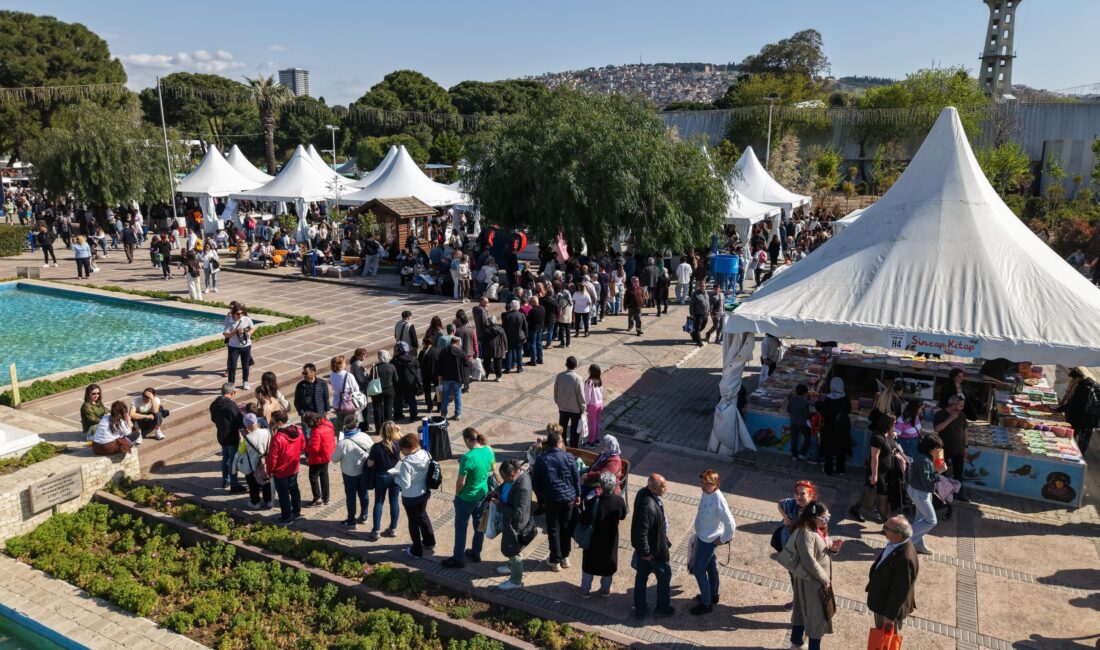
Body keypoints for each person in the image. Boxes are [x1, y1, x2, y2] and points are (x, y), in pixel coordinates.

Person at [788, 501, 839, 650]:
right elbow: (809, 560)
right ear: (813, 516)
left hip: (812, 580)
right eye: (824, 518)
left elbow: (822, 544)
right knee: (816, 617)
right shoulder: (806, 533)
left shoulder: (815, 528)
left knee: (800, 610)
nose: (826, 521)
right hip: (812, 581)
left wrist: (832, 548)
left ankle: (796, 641)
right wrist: (825, 580)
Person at [443, 427, 495, 568]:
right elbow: (491, 471)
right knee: (479, 526)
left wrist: (457, 495)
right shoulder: (488, 451)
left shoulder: (468, 457)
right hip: (482, 495)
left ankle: (458, 558)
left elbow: (461, 482)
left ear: (467, 440)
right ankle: (476, 553)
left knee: (461, 527)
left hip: (466, 498)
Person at [532, 428, 582, 571]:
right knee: (566, 527)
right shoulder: (569, 457)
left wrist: (546, 495)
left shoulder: (542, 459)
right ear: (559, 443)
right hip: (569, 499)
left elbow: (536, 483)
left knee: (553, 529)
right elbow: (575, 478)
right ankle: (565, 557)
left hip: (552, 500)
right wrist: (578, 495)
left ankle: (555, 560)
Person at [690, 469, 737, 615]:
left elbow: (731, 523)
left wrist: (723, 539)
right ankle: (713, 595)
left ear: (716, 484)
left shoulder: (718, 500)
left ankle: (706, 603)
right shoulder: (707, 493)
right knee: (711, 567)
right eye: (702, 482)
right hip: (704, 537)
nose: (703, 486)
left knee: (699, 570)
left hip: (708, 540)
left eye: (707, 484)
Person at [576, 471, 628, 598]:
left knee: (589, 564)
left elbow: (583, 519)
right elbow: (622, 516)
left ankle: (585, 590)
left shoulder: (592, 501)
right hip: (610, 539)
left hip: (593, 538)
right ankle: (605, 590)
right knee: (608, 564)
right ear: (614, 486)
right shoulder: (619, 501)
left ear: (601, 485)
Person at [866, 515, 920, 633]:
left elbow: (900, 591)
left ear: (898, 535)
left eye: (887, 528)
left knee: (885, 639)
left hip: (887, 609)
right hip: (882, 601)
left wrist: (890, 616)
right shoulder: (896, 542)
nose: (883, 529)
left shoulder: (905, 559)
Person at [631, 473, 673, 620]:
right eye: (663, 486)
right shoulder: (648, 505)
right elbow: (641, 530)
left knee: (641, 578)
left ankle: (640, 608)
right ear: (653, 488)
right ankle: (662, 607)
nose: (665, 488)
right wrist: (646, 552)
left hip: (647, 549)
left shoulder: (644, 493)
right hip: (654, 551)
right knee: (664, 576)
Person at [852, 414, 906, 523]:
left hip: (888, 473)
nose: (895, 425)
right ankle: (887, 526)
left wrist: (899, 456)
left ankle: (855, 508)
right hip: (878, 473)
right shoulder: (877, 438)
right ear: (888, 424)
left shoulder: (888, 435)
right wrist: (874, 475)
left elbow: (892, 448)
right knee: (883, 499)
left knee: (869, 494)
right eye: (894, 423)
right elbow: (874, 457)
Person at [390, 433, 435, 557]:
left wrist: (395, 477)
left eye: (402, 450)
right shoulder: (426, 454)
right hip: (424, 492)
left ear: (408, 448)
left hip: (411, 497)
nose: (402, 452)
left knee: (413, 521)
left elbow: (405, 484)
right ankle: (430, 541)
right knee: (423, 515)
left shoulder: (407, 463)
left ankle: (416, 550)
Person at [777, 480, 818, 611]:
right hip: (790, 550)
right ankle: (797, 600)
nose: (798, 497)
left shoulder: (815, 511)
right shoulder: (792, 504)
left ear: (811, 496)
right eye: (796, 493)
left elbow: (822, 532)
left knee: (804, 580)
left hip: (805, 553)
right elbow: (780, 503)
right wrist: (785, 517)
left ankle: (805, 605)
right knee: (794, 578)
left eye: (802, 494)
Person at [494, 459, 534, 590]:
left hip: (516, 526)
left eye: (505, 478)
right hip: (508, 521)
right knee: (511, 549)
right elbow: (505, 487)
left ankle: (516, 580)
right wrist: (498, 492)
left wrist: (499, 505)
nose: (504, 481)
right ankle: (510, 566)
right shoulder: (513, 478)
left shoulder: (523, 487)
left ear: (513, 475)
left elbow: (518, 514)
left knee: (514, 551)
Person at [330, 414, 373, 527]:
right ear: (357, 424)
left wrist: (339, 444)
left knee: (351, 497)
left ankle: (351, 520)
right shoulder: (365, 436)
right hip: (363, 471)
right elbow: (372, 451)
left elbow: (334, 459)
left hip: (349, 474)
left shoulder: (343, 443)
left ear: (345, 426)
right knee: (364, 494)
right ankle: (364, 516)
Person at [365, 421, 402, 540]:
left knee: (379, 502)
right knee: (394, 501)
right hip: (395, 475)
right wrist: (398, 430)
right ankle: (393, 529)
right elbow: (402, 438)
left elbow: (370, 464)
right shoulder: (398, 444)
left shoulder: (376, 447)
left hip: (381, 476)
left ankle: (376, 530)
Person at [908, 435, 943, 555]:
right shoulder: (924, 460)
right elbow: (926, 481)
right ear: (930, 448)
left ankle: (919, 545)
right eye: (937, 448)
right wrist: (939, 471)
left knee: (920, 519)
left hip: (917, 490)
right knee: (931, 520)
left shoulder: (921, 455)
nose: (939, 450)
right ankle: (904, 540)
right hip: (920, 493)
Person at [267, 417, 305, 524]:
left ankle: (286, 517)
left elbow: (272, 458)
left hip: (280, 471)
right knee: (294, 489)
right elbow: (303, 447)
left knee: (283, 494)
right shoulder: (299, 430)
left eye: (272, 422)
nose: (271, 424)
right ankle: (296, 512)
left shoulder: (277, 438)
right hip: (293, 467)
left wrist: (270, 470)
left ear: (279, 422)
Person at [210, 383, 245, 492]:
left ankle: (226, 480)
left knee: (225, 458)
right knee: (233, 460)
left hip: (221, 435)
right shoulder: (231, 405)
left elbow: (213, 419)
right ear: (231, 392)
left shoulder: (214, 404)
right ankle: (234, 484)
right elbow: (239, 422)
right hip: (231, 436)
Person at [1055, 368, 1099, 453]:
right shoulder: (1092, 383)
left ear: (1078, 377)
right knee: (1084, 439)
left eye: (1074, 379)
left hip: (1082, 417)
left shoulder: (1083, 386)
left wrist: (1059, 409)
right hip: (1091, 417)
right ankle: (1079, 452)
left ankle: (1074, 453)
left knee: (1072, 436)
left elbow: (1073, 402)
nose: (1073, 381)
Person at [237, 411, 274, 509]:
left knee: (253, 485)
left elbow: (241, 451)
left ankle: (255, 503)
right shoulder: (267, 431)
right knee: (267, 482)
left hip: (253, 466)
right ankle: (269, 501)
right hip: (266, 463)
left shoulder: (247, 438)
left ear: (246, 425)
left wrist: (241, 439)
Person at [816, 377, 852, 476]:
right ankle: (841, 469)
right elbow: (849, 410)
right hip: (843, 428)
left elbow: (824, 413)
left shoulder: (828, 399)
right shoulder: (846, 398)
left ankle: (829, 470)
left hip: (829, 428)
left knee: (829, 450)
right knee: (841, 449)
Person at [933, 395, 968, 495]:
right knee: (941, 473)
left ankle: (959, 494)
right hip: (942, 449)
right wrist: (950, 419)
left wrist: (965, 446)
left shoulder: (962, 415)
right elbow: (937, 429)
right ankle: (940, 493)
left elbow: (965, 431)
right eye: (961, 406)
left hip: (958, 449)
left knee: (958, 474)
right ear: (953, 405)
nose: (962, 408)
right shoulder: (940, 414)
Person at [303, 412, 335, 507]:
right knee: (324, 475)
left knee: (313, 477)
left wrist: (305, 447)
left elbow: (314, 448)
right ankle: (326, 498)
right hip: (327, 454)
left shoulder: (316, 431)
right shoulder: (328, 424)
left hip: (317, 458)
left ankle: (317, 497)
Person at [554, 356, 586, 448]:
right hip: (576, 410)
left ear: (566, 365)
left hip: (563, 408)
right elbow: (581, 396)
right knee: (574, 432)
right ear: (576, 365)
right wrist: (583, 410)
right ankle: (573, 449)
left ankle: (562, 447)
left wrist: (559, 403)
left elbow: (555, 392)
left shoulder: (559, 376)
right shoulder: (578, 378)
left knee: (562, 430)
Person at [438, 336, 470, 421]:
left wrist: (440, 375)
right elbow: (467, 364)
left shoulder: (444, 351)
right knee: (457, 396)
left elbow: (439, 363)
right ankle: (457, 414)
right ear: (458, 343)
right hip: (457, 378)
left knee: (445, 396)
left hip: (446, 377)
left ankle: (443, 414)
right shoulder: (461, 352)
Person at [223, 303, 254, 390]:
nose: (240, 315)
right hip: (233, 347)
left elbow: (253, 328)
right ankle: (231, 384)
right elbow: (225, 334)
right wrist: (235, 331)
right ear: (233, 314)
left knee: (245, 365)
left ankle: (245, 382)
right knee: (232, 366)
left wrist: (248, 333)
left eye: (241, 313)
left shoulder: (246, 319)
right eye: (238, 314)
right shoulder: (229, 321)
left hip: (246, 346)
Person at [294, 363, 331, 430]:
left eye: (306, 373)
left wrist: (327, 412)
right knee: (308, 438)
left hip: (320, 415)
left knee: (321, 433)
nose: (304, 375)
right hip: (307, 417)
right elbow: (296, 402)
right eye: (303, 373)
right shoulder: (300, 386)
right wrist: (303, 414)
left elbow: (326, 398)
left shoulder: (322, 383)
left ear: (313, 372)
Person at [392, 341, 421, 420]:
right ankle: (413, 416)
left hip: (398, 383)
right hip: (410, 382)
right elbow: (417, 366)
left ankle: (398, 415)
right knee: (411, 399)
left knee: (398, 399)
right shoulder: (413, 359)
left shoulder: (395, 360)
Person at [501, 300, 528, 373]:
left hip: (510, 337)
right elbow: (525, 327)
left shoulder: (507, 315)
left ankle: (508, 368)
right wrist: (526, 336)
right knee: (519, 352)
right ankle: (519, 368)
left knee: (509, 352)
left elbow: (504, 328)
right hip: (520, 336)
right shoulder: (522, 315)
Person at [788, 384, 812, 460]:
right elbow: (806, 415)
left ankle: (794, 455)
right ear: (805, 393)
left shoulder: (792, 400)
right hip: (802, 424)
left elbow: (788, 410)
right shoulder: (805, 403)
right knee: (808, 438)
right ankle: (802, 453)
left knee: (794, 439)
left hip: (793, 422)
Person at [583, 364, 604, 446]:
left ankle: (591, 442)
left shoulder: (589, 382)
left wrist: (585, 406)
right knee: (597, 422)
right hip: (599, 404)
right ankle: (596, 439)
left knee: (592, 424)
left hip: (592, 405)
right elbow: (601, 392)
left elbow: (587, 396)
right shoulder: (599, 381)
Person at [482, 315, 507, 381]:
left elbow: (483, 340)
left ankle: (485, 375)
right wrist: (505, 348)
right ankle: (499, 377)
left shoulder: (486, 330)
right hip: (498, 348)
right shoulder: (501, 329)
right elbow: (504, 339)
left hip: (488, 348)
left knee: (486, 363)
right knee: (498, 363)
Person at [525, 296, 546, 365]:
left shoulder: (532, 310)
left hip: (533, 329)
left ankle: (533, 360)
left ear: (534, 302)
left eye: (530, 302)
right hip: (540, 328)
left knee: (532, 345)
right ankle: (540, 359)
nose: (530, 303)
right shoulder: (542, 308)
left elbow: (528, 319)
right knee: (539, 343)